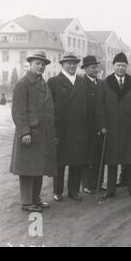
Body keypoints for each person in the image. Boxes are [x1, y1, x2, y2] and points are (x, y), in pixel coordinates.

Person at [10, 51, 57, 212]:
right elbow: (18, 111)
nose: (40, 66)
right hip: (29, 135)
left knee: (38, 169)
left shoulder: (43, 83)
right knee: (27, 170)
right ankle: (26, 202)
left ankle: (35, 199)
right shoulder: (23, 84)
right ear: (30, 64)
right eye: (37, 63)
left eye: (43, 64)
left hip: (42, 135)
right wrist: (25, 132)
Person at [97, 53, 131, 198]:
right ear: (113, 66)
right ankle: (110, 190)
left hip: (130, 127)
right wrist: (102, 125)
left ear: (127, 67)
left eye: (123, 65)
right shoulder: (105, 83)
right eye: (118, 65)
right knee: (112, 160)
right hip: (112, 128)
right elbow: (100, 107)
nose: (121, 68)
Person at [48, 53, 88, 202]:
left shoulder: (81, 82)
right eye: (68, 63)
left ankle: (74, 191)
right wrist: (53, 128)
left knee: (76, 162)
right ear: (62, 65)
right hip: (61, 129)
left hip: (78, 129)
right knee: (60, 163)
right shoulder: (53, 82)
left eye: (74, 63)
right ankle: (57, 192)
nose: (72, 66)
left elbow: (87, 106)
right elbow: (48, 107)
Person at [81, 55, 104, 194]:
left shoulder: (101, 84)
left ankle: (98, 183)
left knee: (98, 156)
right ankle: (87, 184)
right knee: (87, 157)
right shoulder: (81, 83)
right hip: (86, 127)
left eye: (96, 67)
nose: (96, 70)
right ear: (86, 69)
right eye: (93, 67)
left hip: (99, 127)